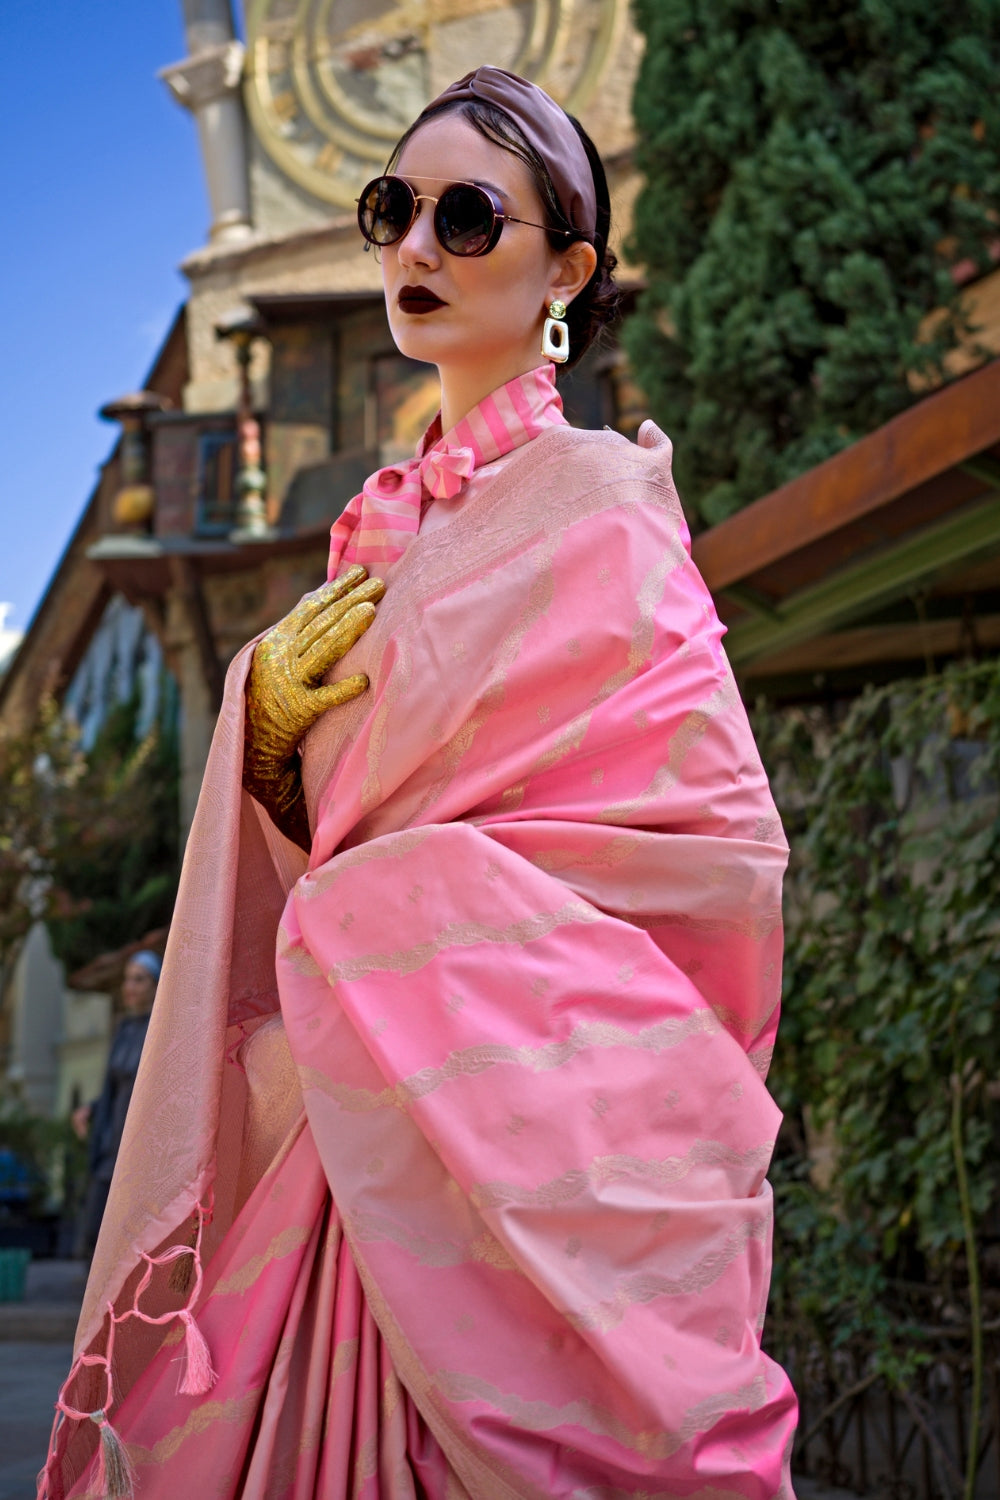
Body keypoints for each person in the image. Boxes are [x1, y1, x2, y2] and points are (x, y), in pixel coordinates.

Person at [42, 67, 798, 1500]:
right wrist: (260, 745)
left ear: (566, 267)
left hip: (521, 1139)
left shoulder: (603, 507)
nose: (415, 251)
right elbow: (338, 824)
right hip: (337, 1140)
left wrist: (389, 910)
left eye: (468, 216)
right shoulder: (369, 537)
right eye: (394, 209)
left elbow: (707, 856)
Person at [71, 950, 161, 1259]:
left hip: (140, 1148)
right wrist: (92, 1109)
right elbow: (115, 1086)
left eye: (139, 979)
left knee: (127, 1241)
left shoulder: (160, 1028)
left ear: (156, 985)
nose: (130, 987)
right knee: (94, 1235)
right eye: (127, 979)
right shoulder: (124, 1028)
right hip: (111, 1144)